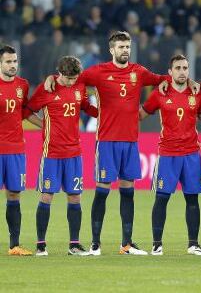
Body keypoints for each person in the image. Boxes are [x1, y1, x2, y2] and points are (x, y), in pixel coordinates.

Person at [44, 31, 168, 255]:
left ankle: (126, 244)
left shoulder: (138, 72)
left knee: (128, 191)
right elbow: (70, 76)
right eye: (120, 47)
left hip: (130, 141)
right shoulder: (98, 72)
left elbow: (161, 79)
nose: (125, 51)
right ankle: (95, 243)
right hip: (107, 141)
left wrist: (187, 81)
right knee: (102, 191)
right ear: (111, 50)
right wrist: (52, 78)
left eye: (127, 46)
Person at [140, 55, 201, 256]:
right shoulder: (159, 93)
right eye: (178, 68)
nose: (182, 71)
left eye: (185, 68)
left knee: (193, 199)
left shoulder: (197, 93)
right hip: (168, 153)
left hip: (191, 153)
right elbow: (141, 115)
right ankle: (156, 244)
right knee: (161, 198)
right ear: (170, 72)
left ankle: (193, 244)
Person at [26, 56, 98, 256]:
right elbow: (27, 111)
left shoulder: (80, 86)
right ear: (60, 74)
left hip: (74, 152)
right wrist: (45, 125)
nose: (73, 82)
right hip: (52, 153)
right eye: (69, 79)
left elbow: (85, 106)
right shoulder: (46, 88)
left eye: (76, 78)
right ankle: (41, 245)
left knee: (75, 197)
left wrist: (103, 113)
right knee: (47, 196)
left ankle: (74, 245)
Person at [0, 45, 42, 256]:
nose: (13, 65)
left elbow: (24, 111)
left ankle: (14, 245)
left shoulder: (22, 85)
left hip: (16, 149)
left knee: (14, 194)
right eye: (8, 61)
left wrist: (46, 125)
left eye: (15, 61)